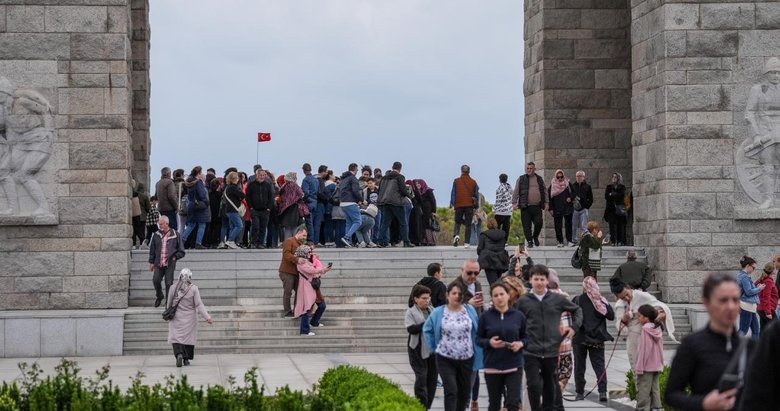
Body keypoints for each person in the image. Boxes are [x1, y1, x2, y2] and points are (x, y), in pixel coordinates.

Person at [665, 272, 746, 410]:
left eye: (735, 300)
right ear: (707, 303)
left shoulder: (751, 346)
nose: (731, 307)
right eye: (723, 300)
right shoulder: (692, 345)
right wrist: (703, 403)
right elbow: (671, 395)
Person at [515, 264, 582, 411]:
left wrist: (574, 327)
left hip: (551, 351)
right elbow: (513, 319)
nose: (539, 282)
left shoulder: (557, 299)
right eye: (536, 279)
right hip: (531, 351)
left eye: (542, 279)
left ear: (547, 280)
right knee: (533, 385)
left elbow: (577, 310)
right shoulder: (523, 301)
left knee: (550, 386)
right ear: (530, 280)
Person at [422, 282, 482, 411]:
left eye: (460, 294)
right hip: (445, 358)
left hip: (466, 358)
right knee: (451, 390)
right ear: (447, 295)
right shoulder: (438, 312)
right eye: (454, 293)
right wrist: (433, 348)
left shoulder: (469, 310)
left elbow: (477, 328)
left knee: (464, 393)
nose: (457, 296)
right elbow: (427, 329)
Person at [476, 283, 527, 411]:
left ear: (508, 295)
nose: (499, 298)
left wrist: (520, 344)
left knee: (513, 403)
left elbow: (527, 338)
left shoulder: (518, 316)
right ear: (492, 298)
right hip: (492, 365)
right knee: (494, 403)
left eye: (502, 294)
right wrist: (489, 342)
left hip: (514, 365)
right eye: (495, 295)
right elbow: (478, 339)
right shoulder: (485, 317)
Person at [610, 277, 676, 371]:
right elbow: (620, 326)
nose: (626, 298)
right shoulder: (620, 305)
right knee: (636, 365)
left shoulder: (641, 296)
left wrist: (661, 315)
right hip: (633, 337)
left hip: (648, 335)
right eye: (622, 297)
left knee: (650, 365)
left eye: (627, 294)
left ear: (628, 288)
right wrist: (624, 319)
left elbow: (661, 307)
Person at [572, 275, 613, 402]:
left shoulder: (577, 300)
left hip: (580, 339)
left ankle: (579, 392)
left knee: (579, 366)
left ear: (584, 287)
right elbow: (611, 316)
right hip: (597, 339)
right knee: (599, 366)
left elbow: (572, 316)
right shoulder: (600, 301)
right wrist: (604, 302)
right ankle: (602, 392)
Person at [166, 268, 213, 367]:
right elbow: (199, 304)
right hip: (190, 318)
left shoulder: (173, 288)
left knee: (176, 338)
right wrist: (207, 317)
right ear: (190, 277)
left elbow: (169, 304)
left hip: (176, 318)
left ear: (179, 276)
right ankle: (186, 359)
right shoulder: (194, 289)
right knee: (188, 338)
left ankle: (179, 354)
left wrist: (168, 313)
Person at [406, 284, 437, 409]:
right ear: (416, 299)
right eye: (424, 298)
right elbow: (411, 329)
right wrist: (426, 324)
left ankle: (427, 405)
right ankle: (421, 406)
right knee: (421, 377)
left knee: (432, 379)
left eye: (428, 298)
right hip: (417, 349)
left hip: (432, 350)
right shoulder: (411, 312)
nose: (427, 300)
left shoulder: (433, 310)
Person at [739, 321, 780, 409]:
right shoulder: (775, 332)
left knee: (755, 330)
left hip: (753, 311)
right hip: (749, 310)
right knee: (744, 329)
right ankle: (736, 343)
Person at [148, 215, 185, 307]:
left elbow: (182, 251)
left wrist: (175, 257)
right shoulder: (156, 235)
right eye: (159, 224)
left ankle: (168, 303)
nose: (159, 226)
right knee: (156, 280)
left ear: (167, 224)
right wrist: (151, 262)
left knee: (169, 283)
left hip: (170, 263)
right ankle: (159, 296)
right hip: (158, 263)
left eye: (161, 224)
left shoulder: (176, 234)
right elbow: (152, 250)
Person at [294, 244, 330, 336]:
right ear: (303, 253)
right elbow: (312, 270)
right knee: (306, 309)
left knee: (307, 308)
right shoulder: (302, 262)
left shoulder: (305, 261)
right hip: (305, 287)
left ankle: (306, 329)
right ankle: (304, 331)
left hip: (308, 286)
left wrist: (323, 270)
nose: (310, 253)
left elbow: (314, 270)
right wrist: (322, 269)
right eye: (308, 252)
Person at [634, 304, 664, 411]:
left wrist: (639, 367)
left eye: (640, 316)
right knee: (655, 388)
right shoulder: (657, 328)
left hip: (646, 365)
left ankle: (642, 408)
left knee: (644, 388)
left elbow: (644, 350)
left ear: (646, 317)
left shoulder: (646, 329)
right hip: (656, 364)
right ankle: (656, 407)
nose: (638, 318)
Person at [377, 161, 413, 247]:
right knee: (403, 222)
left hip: (385, 202)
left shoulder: (384, 178)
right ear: (400, 168)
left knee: (385, 223)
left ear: (392, 167)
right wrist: (410, 196)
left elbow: (379, 190)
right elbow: (403, 190)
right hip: (396, 202)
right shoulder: (400, 177)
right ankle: (406, 241)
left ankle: (380, 241)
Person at [513, 162, 546, 248]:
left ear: (535, 169)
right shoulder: (521, 179)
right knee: (526, 226)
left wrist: (546, 202)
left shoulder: (539, 179)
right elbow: (516, 191)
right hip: (525, 206)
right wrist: (514, 202)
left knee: (539, 223)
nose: (529, 170)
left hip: (537, 206)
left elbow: (544, 191)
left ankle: (535, 237)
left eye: (531, 168)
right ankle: (529, 241)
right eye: (527, 168)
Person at [278, 225, 308, 317]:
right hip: (287, 271)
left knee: (299, 291)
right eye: (304, 235)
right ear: (299, 233)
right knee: (288, 291)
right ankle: (287, 311)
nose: (305, 238)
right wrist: (297, 259)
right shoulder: (289, 241)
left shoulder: (300, 244)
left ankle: (297, 310)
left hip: (295, 272)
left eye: (305, 236)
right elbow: (286, 254)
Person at [450, 164, 479, 248]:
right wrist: (475, 207)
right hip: (469, 205)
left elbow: (453, 194)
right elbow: (476, 195)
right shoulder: (473, 182)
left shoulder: (456, 181)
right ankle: (467, 243)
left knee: (457, 222)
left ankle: (456, 235)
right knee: (468, 224)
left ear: (461, 171)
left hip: (459, 204)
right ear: (469, 171)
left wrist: (453, 204)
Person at [181, 166, 210, 249]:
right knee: (202, 224)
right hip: (199, 205)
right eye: (201, 173)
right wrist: (206, 202)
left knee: (191, 225)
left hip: (191, 205)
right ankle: (198, 243)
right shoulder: (198, 182)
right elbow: (202, 194)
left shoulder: (189, 182)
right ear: (198, 173)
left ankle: (181, 241)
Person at [245, 168, 274, 249]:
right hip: (255, 210)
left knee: (263, 228)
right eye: (260, 175)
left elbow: (271, 197)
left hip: (265, 210)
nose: (262, 177)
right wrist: (251, 207)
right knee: (255, 227)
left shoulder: (268, 185)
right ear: (256, 175)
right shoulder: (251, 185)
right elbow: (248, 197)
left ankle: (261, 243)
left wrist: (269, 208)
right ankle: (253, 243)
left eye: (263, 175)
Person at [477, 218, 510, 286]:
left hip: (488, 260)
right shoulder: (502, 234)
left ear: (488, 225)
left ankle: (496, 291)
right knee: (498, 281)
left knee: (493, 283)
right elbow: (503, 246)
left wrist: (481, 254)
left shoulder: (484, 234)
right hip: (500, 259)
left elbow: (480, 248)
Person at [737, 255, 764, 337]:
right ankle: (732, 344)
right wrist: (759, 289)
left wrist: (756, 288)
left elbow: (748, 290)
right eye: (753, 267)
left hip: (749, 306)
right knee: (743, 331)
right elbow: (748, 292)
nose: (753, 270)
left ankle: (755, 346)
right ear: (748, 266)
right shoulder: (744, 277)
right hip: (746, 306)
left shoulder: (742, 276)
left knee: (756, 330)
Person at [547, 169, 574, 247]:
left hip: (567, 208)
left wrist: (571, 198)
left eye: (561, 177)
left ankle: (569, 241)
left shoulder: (567, 183)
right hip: (557, 208)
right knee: (558, 226)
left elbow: (574, 193)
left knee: (568, 225)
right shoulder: (552, 185)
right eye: (558, 177)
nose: (560, 178)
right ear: (555, 177)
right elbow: (549, 198)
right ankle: (560, 242)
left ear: (563, 176)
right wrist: (550, 209)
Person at [338, 163, 363, 248]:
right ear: (355, 169)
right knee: (358, 221)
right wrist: (362, 200)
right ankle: (347, 237)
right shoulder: (353, 178)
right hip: (350, 202)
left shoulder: (343, 179)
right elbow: (355, 191)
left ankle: (348, 242)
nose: (357, 171)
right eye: (357, 169)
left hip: (342, 203)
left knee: (349, 222)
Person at [221, 171, 245, 249]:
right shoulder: (233, 187)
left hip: (229, 210)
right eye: (237, 178)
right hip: (233, 210)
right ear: (234, 179)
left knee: (232, 226)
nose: (238, 179)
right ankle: (230, 240)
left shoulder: (228, 187)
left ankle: (231, 243)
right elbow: (242, 195)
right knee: (239, 225)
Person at [278, 172, 304, 240]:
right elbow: (301, 194)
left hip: (285, 208)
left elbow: (280, 195)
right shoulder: (295, 185)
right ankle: (294, 242)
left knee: (287, 228)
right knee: (294, 227)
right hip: (294, 208)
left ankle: (287, 242)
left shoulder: (284, 186)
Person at [604, 172, 627, 246]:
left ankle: (619, 240)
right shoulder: (609, 187)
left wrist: (612, 194)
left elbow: (621, 196)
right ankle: (613, 241)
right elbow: (606, 197)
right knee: (611, 225)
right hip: (611, 209)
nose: (614, 178)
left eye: (615, 177)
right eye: (613, 177)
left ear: (618, 179)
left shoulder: (622, 187)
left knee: (619, 225)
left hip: (619, 209)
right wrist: (614, 195)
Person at [570, 170, 593, 244]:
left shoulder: (588, 186)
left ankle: (585, 241)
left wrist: (586, 207)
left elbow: (591, 199)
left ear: (583, 177)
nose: (578, 177)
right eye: (577, 176)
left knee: (584, 226)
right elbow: (570, 197)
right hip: (574, 209)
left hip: (584, 209)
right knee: (573, 226)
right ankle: (574, 240)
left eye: (580, 176)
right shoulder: (572, 186)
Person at [415, 179, 438, 246]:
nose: (417, 185)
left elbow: (433, 201)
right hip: (422, 211)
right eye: (416, 184)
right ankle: (424, 240)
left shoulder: (428, 190)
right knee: (423, 226)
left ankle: (431, 241)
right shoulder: (418, 192)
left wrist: (433, 211)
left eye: (419, 183)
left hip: (428, 211)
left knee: (428, 225)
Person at [756, 262, 778, 330]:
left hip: (762, 309)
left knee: (763, 330)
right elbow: (766, 297)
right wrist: (768, 312)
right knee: (777, 329)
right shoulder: (768, 281)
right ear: (772, 270)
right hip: (767, 309)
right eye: (775, 268)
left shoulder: (762, 279)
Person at [301, 163, 318, 242]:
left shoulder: (306, 180)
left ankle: (310, 240)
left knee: (309, 223)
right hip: (315, 202)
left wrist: (303, 200)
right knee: (313, 223)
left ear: (304, 170)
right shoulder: (315, 179)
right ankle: (313, 240)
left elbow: (305, 192)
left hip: (309, 202)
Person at [494, 173, 513, 240]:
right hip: (508, 211)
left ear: (499, 180)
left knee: (497, 227)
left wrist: (494, 209)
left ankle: (497, 240)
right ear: (506, 179)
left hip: (500, 211)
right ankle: (504, 241)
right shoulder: (510, 188)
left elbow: (498, 200)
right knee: (506, 227)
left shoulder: (500, 188)